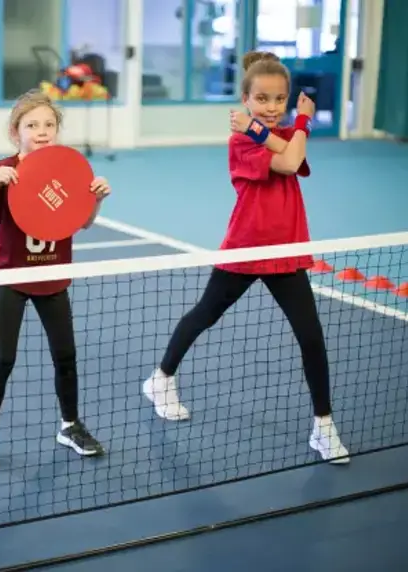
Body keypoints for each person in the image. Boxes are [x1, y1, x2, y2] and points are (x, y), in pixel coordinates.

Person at [141, 52, 350, 465]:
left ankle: (323, 425)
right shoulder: (241, 141)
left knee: (311, 336)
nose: (272, 108)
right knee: (205, 314)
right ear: (245, 97)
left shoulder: (281, 132)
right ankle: (161, 379)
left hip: (285, 253)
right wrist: (289, 126)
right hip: (246, 247)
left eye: (280, 99)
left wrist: (278, 127)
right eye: (261, 99)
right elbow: (289, 162)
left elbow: (291, 152)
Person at [0, 90, 110, 471]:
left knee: (66, 356)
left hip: (53, 276)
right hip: (12, 278)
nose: (41, 132)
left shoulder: (70, 170)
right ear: (16, 132)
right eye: (32, 125)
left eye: (49, 125)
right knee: (3, 359)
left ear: (57, 130)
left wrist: (96, 200)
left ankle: (70, 425)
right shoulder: (4, 169)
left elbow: (83, 222)